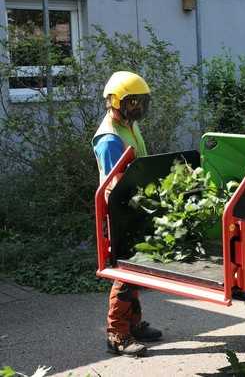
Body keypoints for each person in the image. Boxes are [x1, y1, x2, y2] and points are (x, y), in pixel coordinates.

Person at [93, 71, 162, 357]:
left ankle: (133, 323)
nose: (138, 109)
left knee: (137, 269)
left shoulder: (128, 125)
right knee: (125, 270)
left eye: (141, 103)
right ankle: (117, 334)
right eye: (132, 103)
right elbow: (117, 182)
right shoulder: (110, 138)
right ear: (115, 102)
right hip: (119, 211)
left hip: (135, 205)